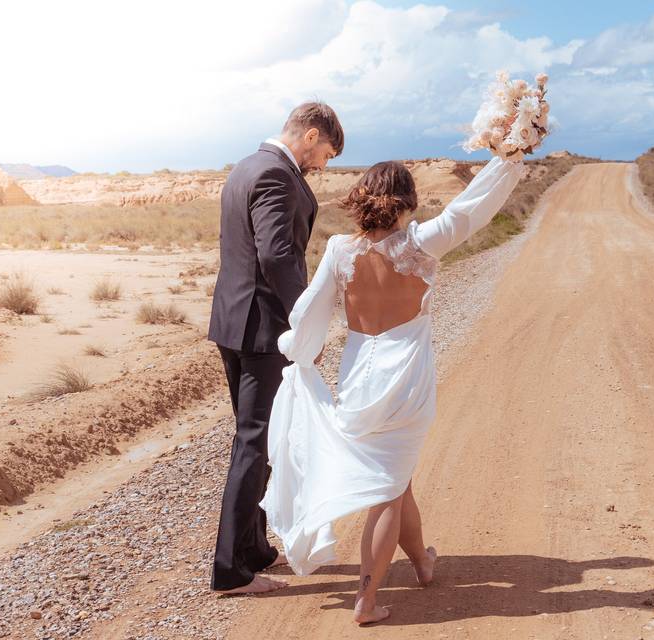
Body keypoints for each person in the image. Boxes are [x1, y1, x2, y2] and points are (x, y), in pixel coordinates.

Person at [260, 155, 525, 623]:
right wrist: (509, 161)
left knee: (395, 480)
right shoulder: (421, 244)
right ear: (407, 200)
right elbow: (471, 209)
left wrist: (296, 350)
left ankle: (422, 562)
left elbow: (308, 314)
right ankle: (366, 600)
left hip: (359, 378)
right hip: (407, 380)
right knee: (388, 488)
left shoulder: (341, 251)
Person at [207, 102, 343, 594]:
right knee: (255, 441)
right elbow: (276, 254)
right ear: (310, 136)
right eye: (326, 153)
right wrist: (304, 318)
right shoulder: (276, 175)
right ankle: (230, 570)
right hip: (263, 328)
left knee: (256, 440)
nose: (323, 165)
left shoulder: (245, 166)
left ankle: (254, 549)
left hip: (233, 322)